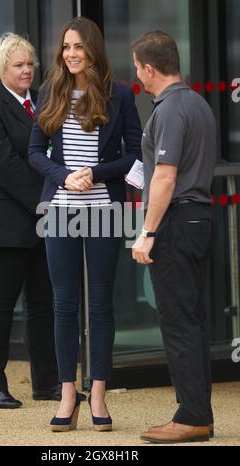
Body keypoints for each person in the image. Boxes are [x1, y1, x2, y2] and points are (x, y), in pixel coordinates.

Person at [28, 17, 142, 431]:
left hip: (104, 210)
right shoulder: (50, 91)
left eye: (78, 47)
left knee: (100, 303)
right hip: (58, 210)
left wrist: (93, 173)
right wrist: (63, 177)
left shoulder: (121, 95)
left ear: (93, 50)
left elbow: (134, 155)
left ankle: (97, 393)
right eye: (66, 47)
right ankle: (66, 394)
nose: (71, 54)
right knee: (64, 305)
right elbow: (35, 152)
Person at [132, 31, 217, 443]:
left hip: (176, 223)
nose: (137, 76)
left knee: (178, 321)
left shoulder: (167, 110)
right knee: (194, 320)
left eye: (137, 68)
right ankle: (200, 411)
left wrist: (147, 232)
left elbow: (165, 176)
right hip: (200, 217)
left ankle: (191, 416)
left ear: (149, 68)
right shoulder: (198, 103)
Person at [0, 33, 62, 408]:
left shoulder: (44, 102)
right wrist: (46, 200)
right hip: (7, 225)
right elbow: (3, 166)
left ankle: (47, 382)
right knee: (1, 304)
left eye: (29, 64)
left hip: (44, 221)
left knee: (43, 304)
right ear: (1, 70)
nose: (27, 71)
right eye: (18, 65)